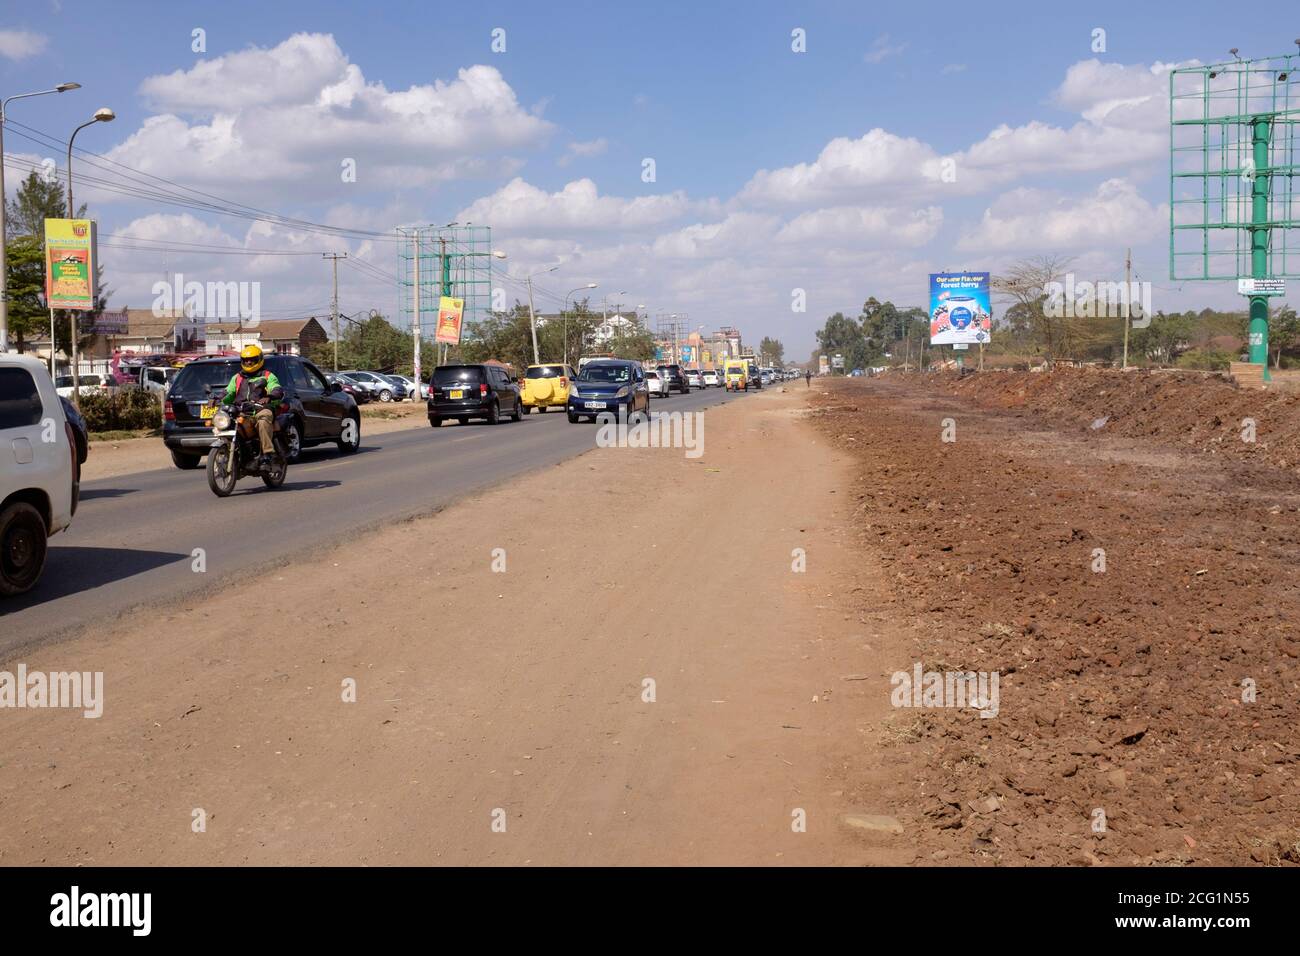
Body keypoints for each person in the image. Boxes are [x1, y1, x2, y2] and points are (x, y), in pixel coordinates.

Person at [222, 345, 283, 467]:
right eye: (245, 360)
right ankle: (240, 454)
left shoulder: (267, 376)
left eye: (252, 359)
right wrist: (218, 398)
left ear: (259, 359)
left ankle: (267, 454)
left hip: (262, 409)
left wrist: (269, 397)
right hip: (243, 411)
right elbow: (229, 392)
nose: (248, 362)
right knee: (229, 422)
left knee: (263, 420)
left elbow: (276, 389)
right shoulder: (237, 378)